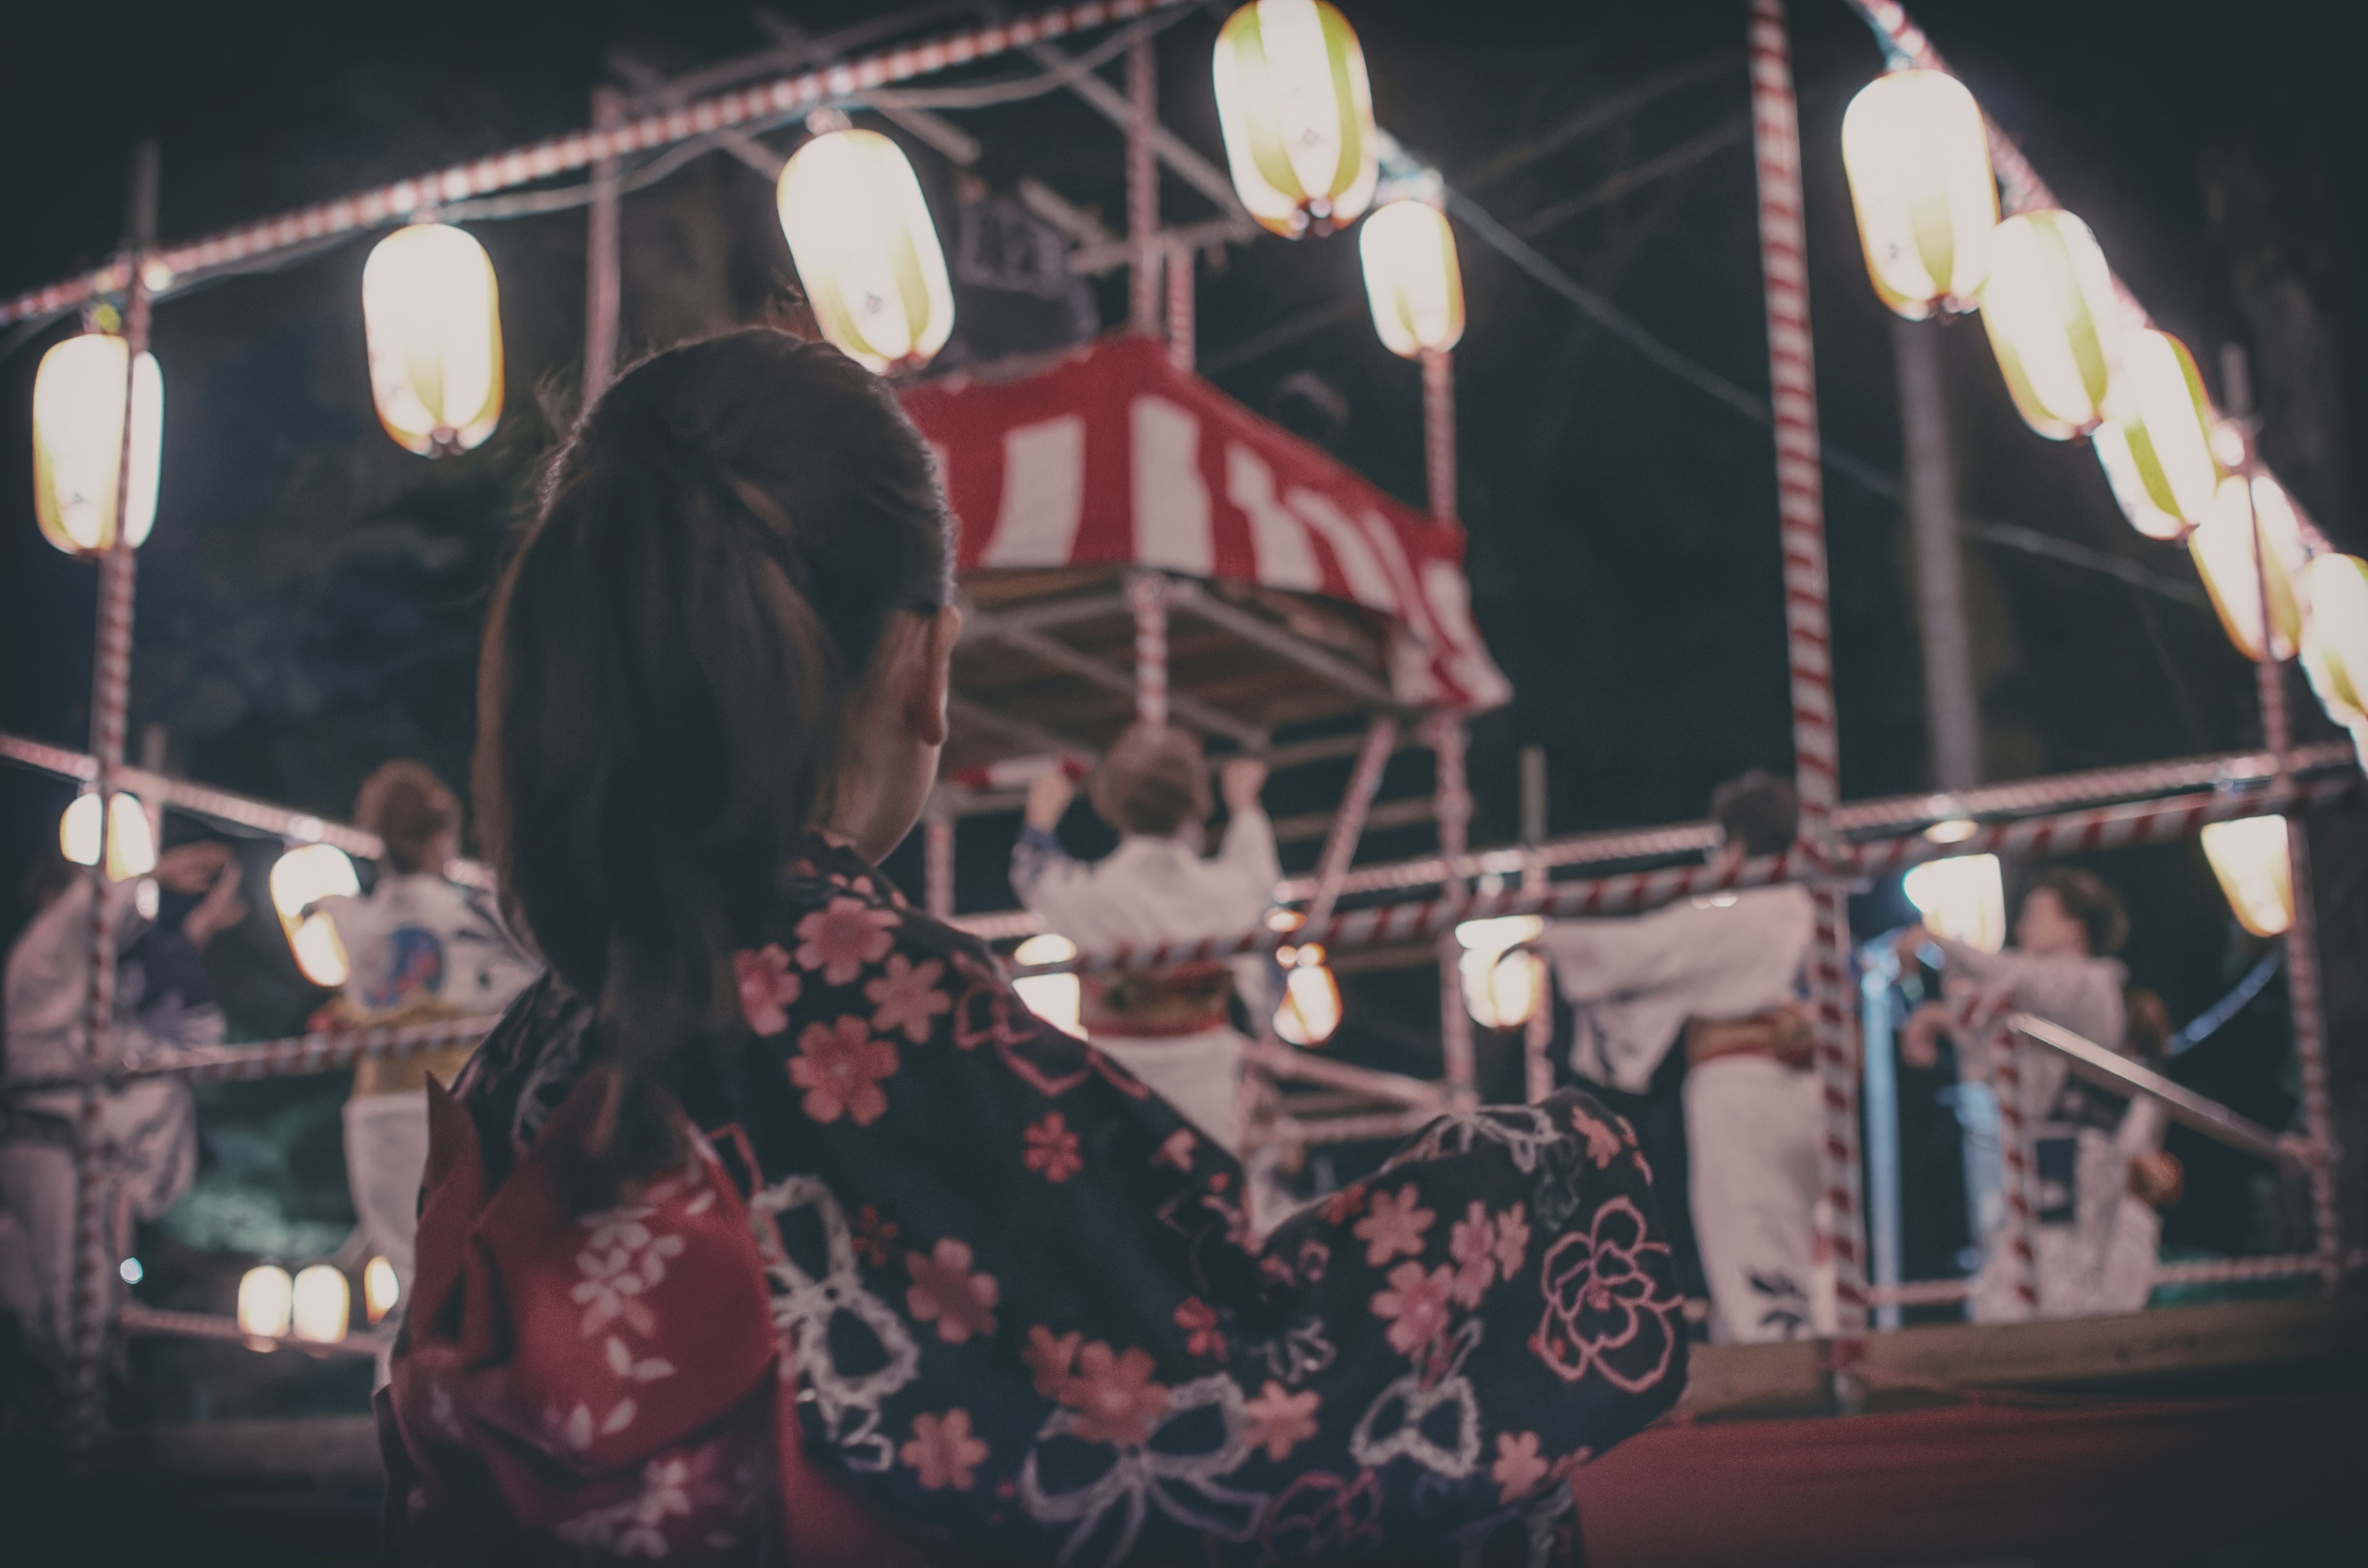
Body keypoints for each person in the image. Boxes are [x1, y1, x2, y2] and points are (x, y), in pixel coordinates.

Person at [380, 328, 1687, 1564]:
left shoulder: (537, 1042)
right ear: (923, 666)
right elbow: (1210, 1407)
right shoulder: (866, 999)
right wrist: (1542, 1187)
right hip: (1181, 1062)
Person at [1534, 771, 1831, 1344]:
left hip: (1744, 1087)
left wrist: (1546, 934)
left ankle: (1777, 1359)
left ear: (1736, 844)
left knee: (1751, 1224)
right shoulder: (1807, 906)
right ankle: (1809, 1346)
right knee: (1802, 1230)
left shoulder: (1751, 908)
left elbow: (1643, 951)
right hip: (1805, 1089)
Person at [1897, 867, 2179, 1321]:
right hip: (2040, 1165)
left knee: (2070, 1299)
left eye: (2035, 913)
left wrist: (1935, 940)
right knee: (2011, 1296)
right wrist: (1932, 1016)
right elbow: (1982, 1021)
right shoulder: (2037, 992)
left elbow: (2010, 977)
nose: (2023, 926)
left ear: (2073, 924)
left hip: (2084, 1166)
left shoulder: (2093, 981)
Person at [309, 760, 537, 1320]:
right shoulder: (471, 922)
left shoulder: (353, 922)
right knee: (463, 1283)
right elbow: (530, 990)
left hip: (373, 1114)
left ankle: (399, 1400)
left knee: (409, 1285)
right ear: (442, 838)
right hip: (447, 1107)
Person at [1, 839, 244, 1364]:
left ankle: (77, 1416)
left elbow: (154, 971)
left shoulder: (70, 980)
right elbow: (84, 915)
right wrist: (155, 872)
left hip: (73, 1154)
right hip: (51, 1148)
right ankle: (75, 1428)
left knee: (77, 1308)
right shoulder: (47, 949)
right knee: (73, 1315)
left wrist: (200, 923)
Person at [1009, 728, 1277, 1155]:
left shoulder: (1090, 895)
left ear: (1111, 801)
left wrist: (1040, 816)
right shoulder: (1223, 893)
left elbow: (1032, 873)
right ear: (1197, 801)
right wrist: (1244, 804)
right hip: (1205, 1091)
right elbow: (1257, 874)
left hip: (1114, 1089)